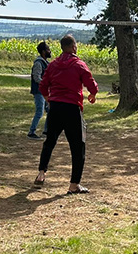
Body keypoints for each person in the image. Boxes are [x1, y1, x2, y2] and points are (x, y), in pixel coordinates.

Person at [33, 34, 98, 194]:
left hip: (55, 107)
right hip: (71, 108)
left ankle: (41, 173)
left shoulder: (53, 65)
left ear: (62, 48)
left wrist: (49, 99)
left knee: (50, 141)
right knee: (78, 146)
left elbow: (43, 85)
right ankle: (74, 184)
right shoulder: (79, 65)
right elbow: (91, 84)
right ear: (74, 47)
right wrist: (92, 94)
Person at [27, 42, 52, 140]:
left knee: (49, 110)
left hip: (44, 91)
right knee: (39, 112)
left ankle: (46, 131)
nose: (50, 51)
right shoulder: (38, 63)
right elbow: (36, 77)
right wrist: (45, 84)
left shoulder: (45, 63)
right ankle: (31, 132)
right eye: (48, 49)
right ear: (43, 52)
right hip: (39, 91)